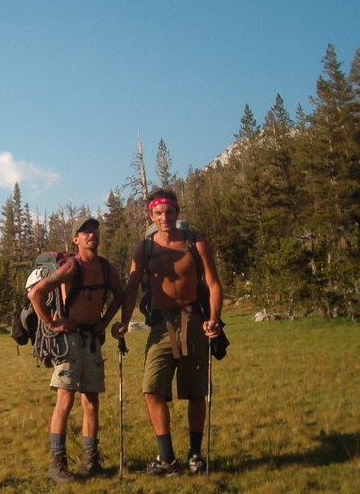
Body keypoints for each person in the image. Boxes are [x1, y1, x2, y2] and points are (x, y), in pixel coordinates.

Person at [113, 188, 223, 475]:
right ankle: (167, 458)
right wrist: (125, 321)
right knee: (152, 388)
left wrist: (214, 319)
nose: (164, 217)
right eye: (158, 213)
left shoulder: (195, 242)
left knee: (196, 391)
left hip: (193, 322)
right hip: (160, 326)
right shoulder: (145, 247)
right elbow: (132, 287)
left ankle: (195, 455)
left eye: (170, 212)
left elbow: (213, 284)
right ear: (151, 215)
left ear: (177, 212)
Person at [27, 216, 124, 484]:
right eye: (86, 232)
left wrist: (105, 322)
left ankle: (90, 462)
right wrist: (51, 323)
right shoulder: (71, 267)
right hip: (69, 340)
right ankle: (57, 464)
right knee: (65, 400)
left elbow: (121, 294)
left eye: (95, 231)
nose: (92, 235)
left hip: (92, 338)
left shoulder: (107, 269)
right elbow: (35, 294)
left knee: (91, 401)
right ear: (76, 239)